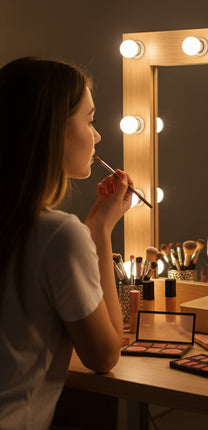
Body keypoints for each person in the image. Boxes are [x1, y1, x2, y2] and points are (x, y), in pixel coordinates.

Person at [0, 57, 133, 429]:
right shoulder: (58, 234)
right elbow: (104, 354)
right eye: (90, 121)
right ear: (53, 128)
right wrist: (100, 230)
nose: (98, 136)